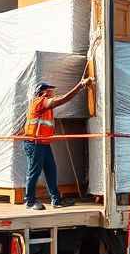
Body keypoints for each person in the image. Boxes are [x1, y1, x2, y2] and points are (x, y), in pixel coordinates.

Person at [22, 78, 92, 210]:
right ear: (42, 93)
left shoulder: (46, 105)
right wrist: (80, 85)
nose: (52, 92)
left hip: (43, 143)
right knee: (34, 172)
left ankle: (56, 200)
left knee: (51, 170)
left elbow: (61, 98)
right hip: (35, 143)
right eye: (49, 90)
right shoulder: (39, 102)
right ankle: (29, 201)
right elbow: (64, 99)